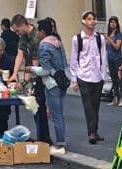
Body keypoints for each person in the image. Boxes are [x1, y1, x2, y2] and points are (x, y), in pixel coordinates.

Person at [69, 10, 108, 144]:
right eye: (89, 19)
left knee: (95, 105)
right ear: (84, 21)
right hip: (83, 75)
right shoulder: (77, 39)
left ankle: (95, 131)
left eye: (93, 18)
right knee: (88, 105)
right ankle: (91, 132)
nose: (92, 21)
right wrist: (74, 80)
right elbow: (74, 59)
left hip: (97, 76)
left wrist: (103, 75)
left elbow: (103, 56)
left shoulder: (100, 38)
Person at [11, 14, 50, 144]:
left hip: (41, 75)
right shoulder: (23, 37)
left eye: (17, 30)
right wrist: (14, 74)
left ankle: (44, 139)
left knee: (40, 108)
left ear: (23, 25)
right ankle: (42, 138)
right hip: (32, 74)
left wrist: (23, 82)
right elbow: (20, 55)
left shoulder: (35, 37)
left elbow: (34, 65)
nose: (17, 33)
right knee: (35, 108)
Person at [36, 18, 68, 155]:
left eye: (38, 31)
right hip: (62, 81)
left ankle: (60, 144)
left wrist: (30, 69)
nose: (37, 34)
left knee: (56, 116)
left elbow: (45, 70)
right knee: (59, 114)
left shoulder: (44, 46)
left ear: (42, 32)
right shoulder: (58, 43)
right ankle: (61, 141)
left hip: (51, 84)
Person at [105, 16, 122, 107]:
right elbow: (107, 47)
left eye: (114, 22)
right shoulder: (109, 34)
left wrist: (109, 40)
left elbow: (117, 47)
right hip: (110, 59)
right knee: (113, 79)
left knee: (119, 78)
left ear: (117, 24)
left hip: (117, 59)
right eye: (111, 22)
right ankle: (115, 97)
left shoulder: (119, 34)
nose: (112, 24)